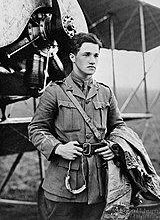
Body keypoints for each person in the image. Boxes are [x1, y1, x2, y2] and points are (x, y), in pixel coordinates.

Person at [28, 32, 160, 220]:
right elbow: (36, 129)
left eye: (96, 55)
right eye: (86, 55)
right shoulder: (55, 92)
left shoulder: (105, 93)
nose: (92, 61)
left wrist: (114, 147)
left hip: (99, 185)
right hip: (63, 184)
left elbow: (119, 127)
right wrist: (58, 148)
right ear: (73, 57)